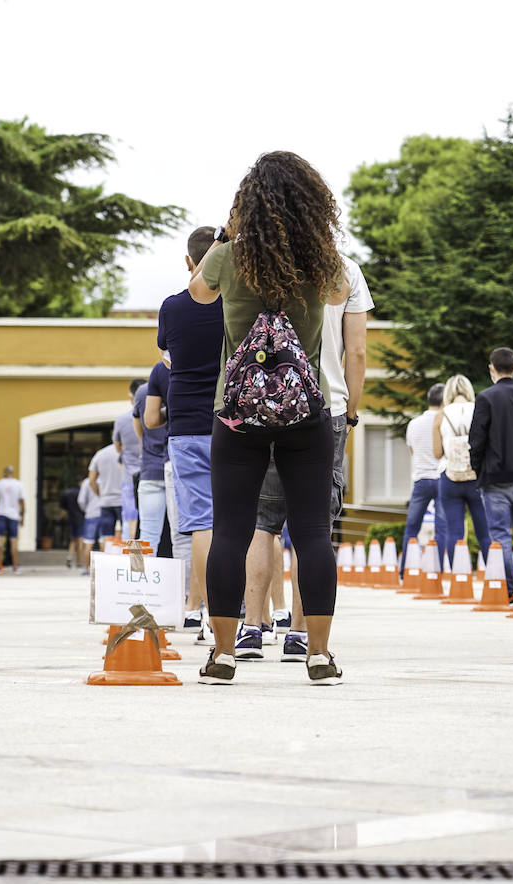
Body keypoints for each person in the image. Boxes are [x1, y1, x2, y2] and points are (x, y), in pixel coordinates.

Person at [189, 150, 350, 686]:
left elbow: (197, 293)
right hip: (305, 409)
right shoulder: (320, 260)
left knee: (232, 531)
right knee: (312, 532)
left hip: (236, 414)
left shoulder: (228, 257)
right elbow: (340, 294)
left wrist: (225, 234)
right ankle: (319, 655)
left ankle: (224, 655)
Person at [239, 253, 373, 661]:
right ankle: (299, 635)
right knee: (312, 528)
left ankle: (251, 629)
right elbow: (358, 352)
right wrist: (350, 411)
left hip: (264, 407)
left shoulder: (259, 260)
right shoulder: (343, 268)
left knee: (262, 524)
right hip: (324, 408)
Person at [150, 227, 223, 632]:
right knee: (243, 523)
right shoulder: (236, 306)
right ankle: (250, 615)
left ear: (188, 262)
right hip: (231, 422)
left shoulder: (172, 308)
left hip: (185, 427)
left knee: (201, 523)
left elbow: (167, 355)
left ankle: (213, 616)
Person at [469, 347, 513, 596]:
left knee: (499, 534)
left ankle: (509, 590)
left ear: (491, 368)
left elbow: (476, 440)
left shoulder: (486, 398)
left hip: (495, 475)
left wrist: (476, 469)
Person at [433, 374, 489, 576]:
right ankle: (494, 576)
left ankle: (459, 577)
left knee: (454, 531)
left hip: (450, 478)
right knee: (484, 531)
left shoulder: (441, 415)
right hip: (477, 478)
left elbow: (437, 453)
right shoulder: (479, 410)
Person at [401, 385, 445, 569]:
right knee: (442, 527)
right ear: (444, 401)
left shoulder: (414, 423)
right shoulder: (444, 422)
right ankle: (439, 569)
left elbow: (412, 450)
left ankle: (405, 569)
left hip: (421, 480)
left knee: (412, 526)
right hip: (442, 479)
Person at [134, 359, 173, 560]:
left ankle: (137, 581)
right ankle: (185, 588)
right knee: (181, 535)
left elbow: (140, 430)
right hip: (175, 465)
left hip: (150, 469)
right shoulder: (183, 380)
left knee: (147, 533)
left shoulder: (141, 392)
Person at [113, 378, 144, 541]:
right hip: (149, 473)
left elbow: (117, 446)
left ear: (130, 396)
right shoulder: (154, 415)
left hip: (129, 478)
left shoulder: (122, 420)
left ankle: (132, 562)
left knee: (130, 521)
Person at [88, 441, 123, 542]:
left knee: (107, 537)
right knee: (127, 536)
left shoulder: (100, 454)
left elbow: (91, 480)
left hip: (106, 502)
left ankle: (107, 557)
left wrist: (100, 494)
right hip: (123, 501)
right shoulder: (126, 452)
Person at [0, 466, 25, 574]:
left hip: (0, 513)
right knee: (13, 541)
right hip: (13, 515)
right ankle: (15, 567)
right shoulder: (18, 484)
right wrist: (23, 516)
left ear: (4, 473)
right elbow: (22, 502)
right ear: (13, 472)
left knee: (0, 540)